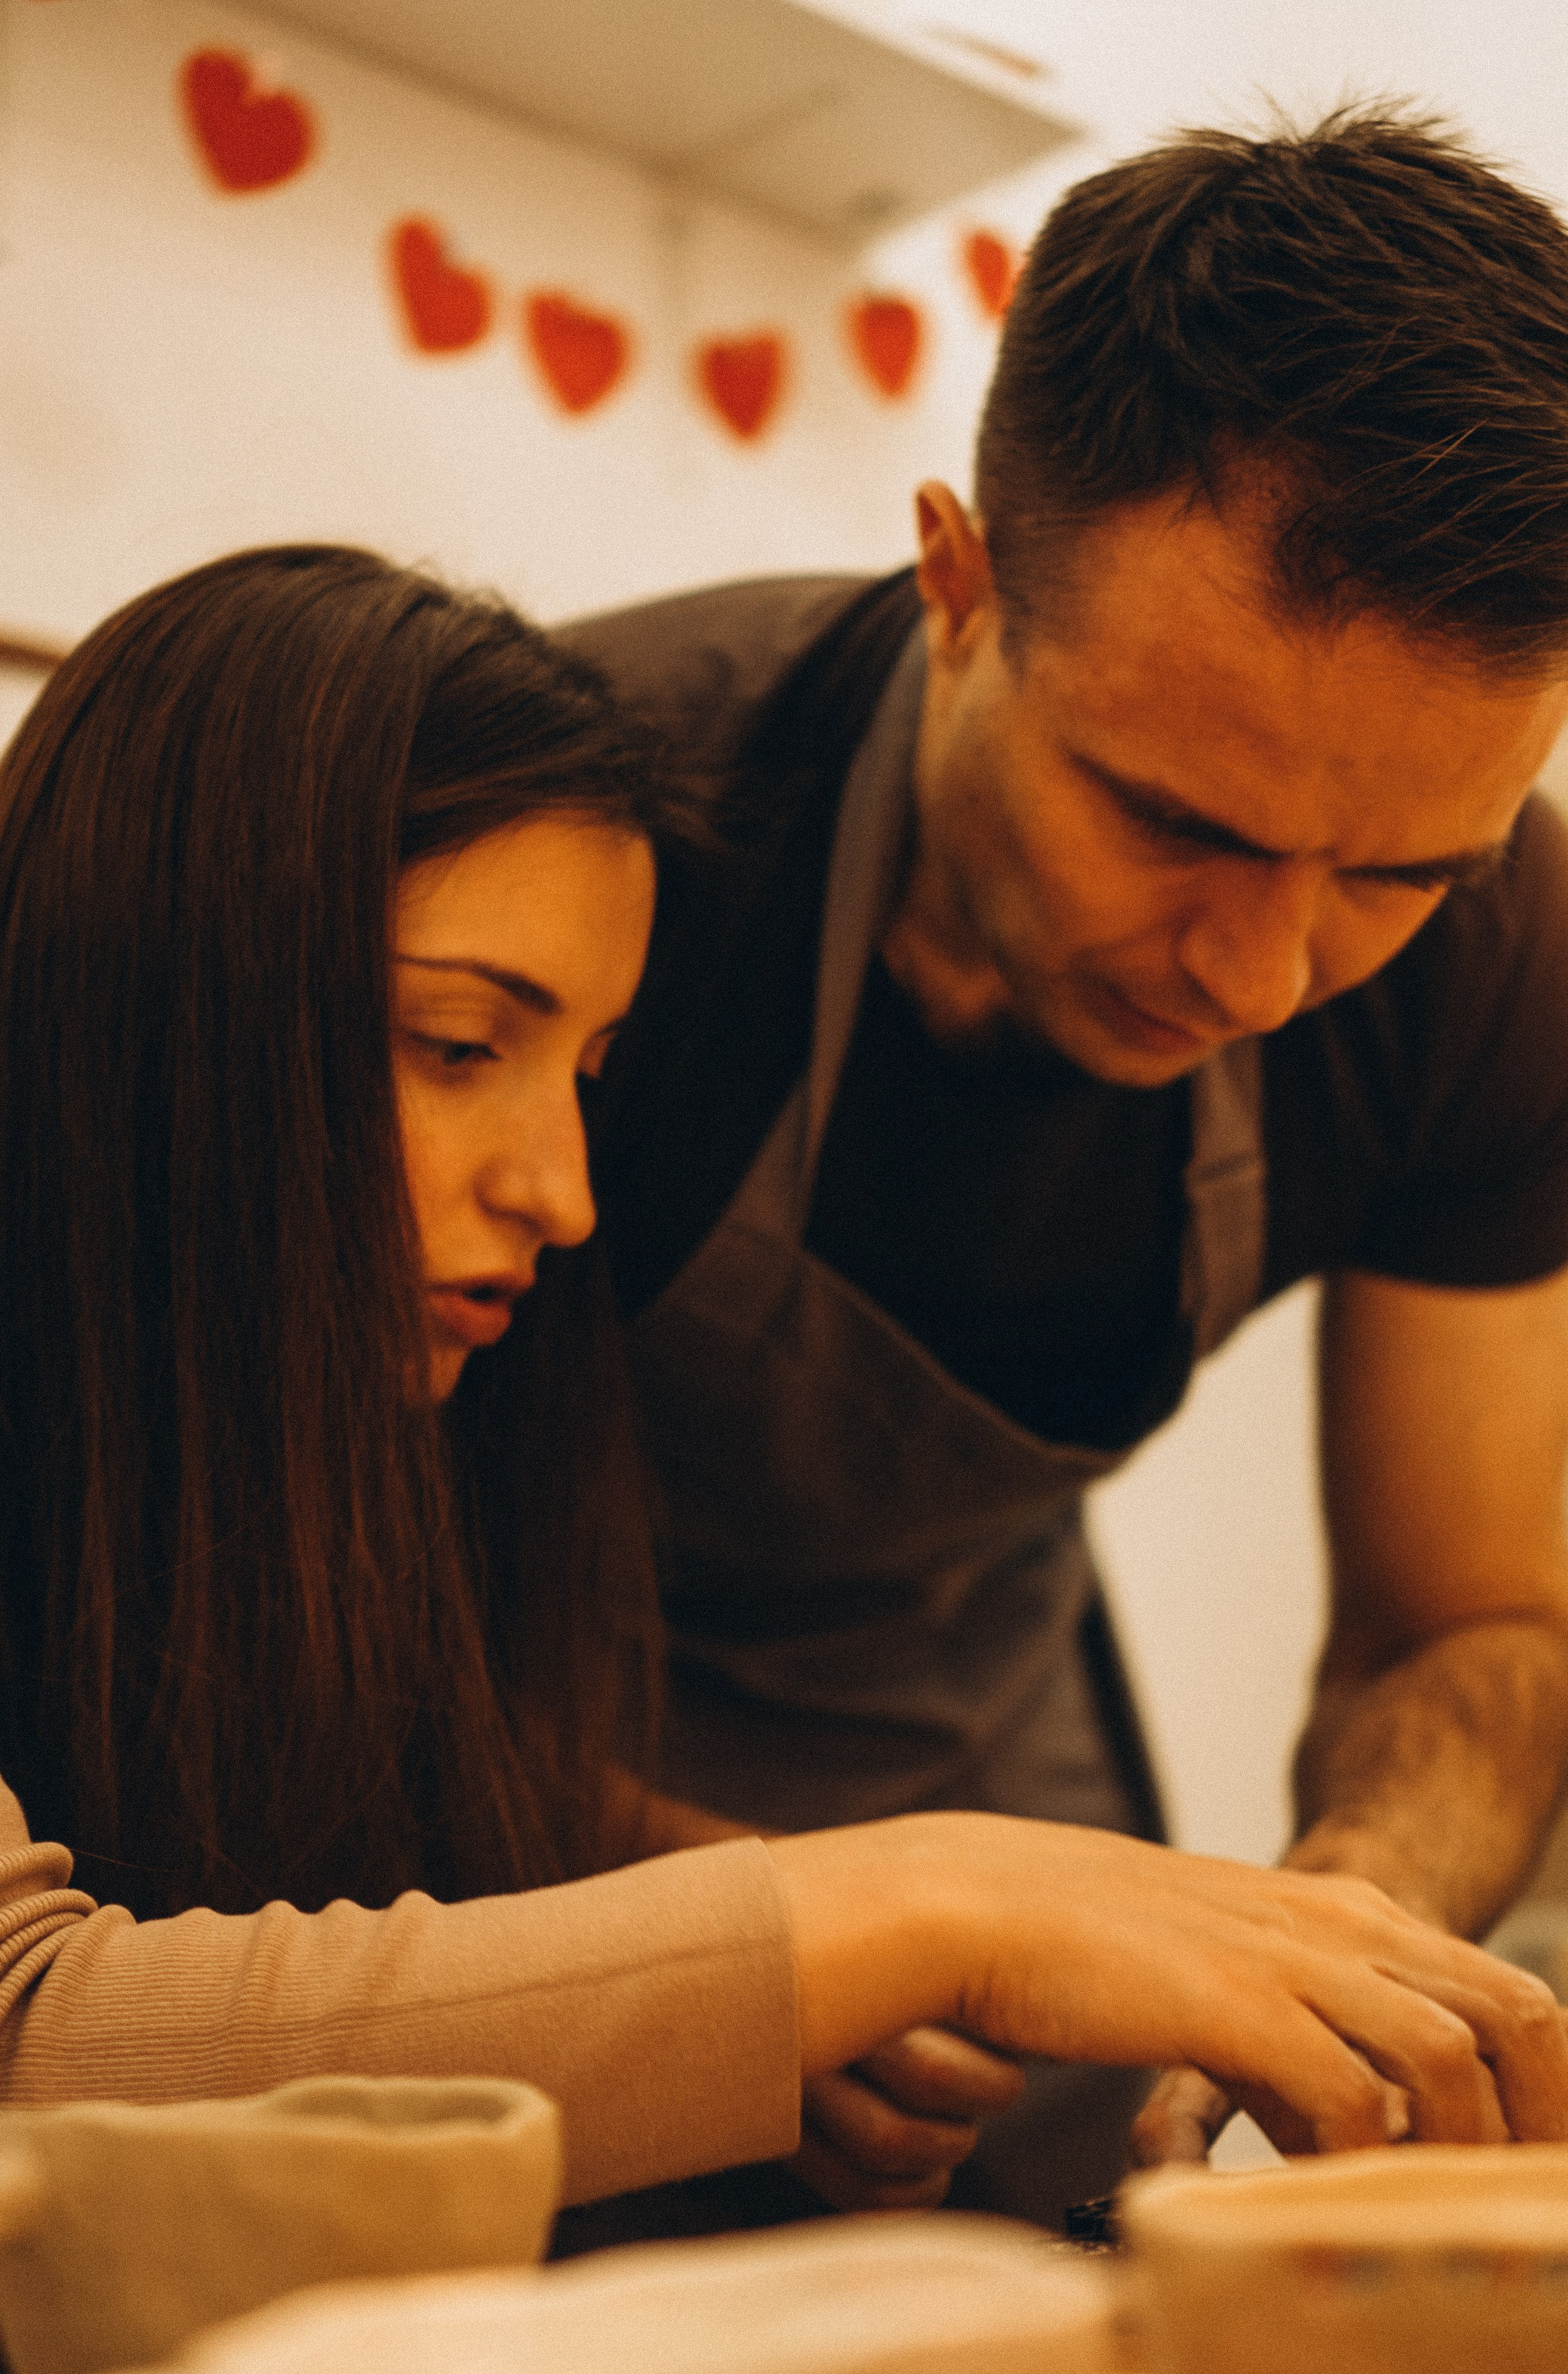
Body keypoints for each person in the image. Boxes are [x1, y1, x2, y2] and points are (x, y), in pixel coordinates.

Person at [0, 543, 1562, 2228]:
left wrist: (731, 1908)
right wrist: (938, 1896)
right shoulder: (691, 765)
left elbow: (367, 1752)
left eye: (595, 1074)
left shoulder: (280, 1490)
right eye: (458, 1045)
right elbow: (30, 2048)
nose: (567, 1199)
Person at [562, 106, 1568, 2224]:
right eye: (1178, 821)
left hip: (980, 1754)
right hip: (461, 1789)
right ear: (959, 583)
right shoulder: (589, 826)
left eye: (1396, 871)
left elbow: (1471, 1616)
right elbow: (219, 1594)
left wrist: (1351, 1919)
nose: (1269, 968)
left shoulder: (1503, 965)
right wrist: (741, 1939)